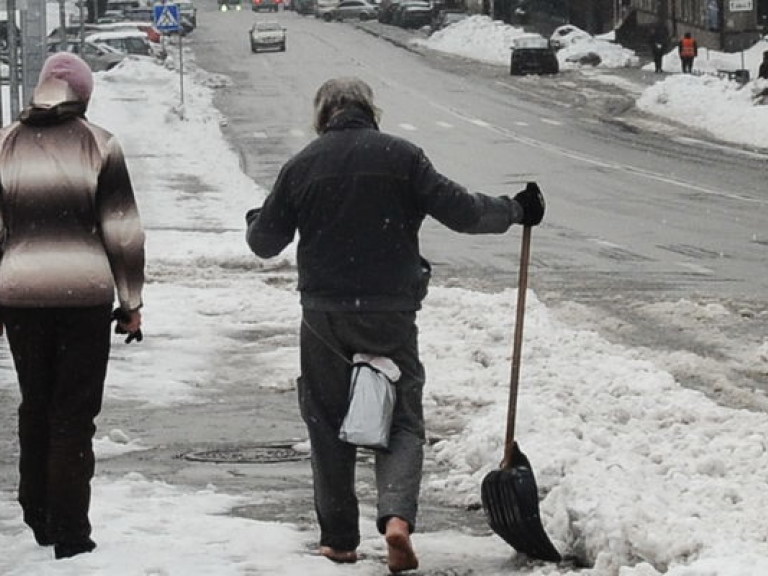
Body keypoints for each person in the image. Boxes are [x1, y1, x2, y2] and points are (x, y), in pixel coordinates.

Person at [245, 77, 545, 573]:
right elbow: (464, 212)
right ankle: (397, 521)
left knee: (325, 417)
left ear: (323, 116)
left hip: (325, 315)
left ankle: (339, 540)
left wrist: (257, 217)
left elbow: (263, 242)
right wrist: (516, 210)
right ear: (371, 111)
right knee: (402, 417)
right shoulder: (403, 157)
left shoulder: (303, 165)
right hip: (391, 310)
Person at [0, 53, 145, 560]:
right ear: (83, 95)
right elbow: (123, 232)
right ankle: (70, 529)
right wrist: (131, 301)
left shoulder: (4, 144)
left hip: (19, 296)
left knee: (36, 403)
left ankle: (35, 508)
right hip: (83, 296)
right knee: (74, 412)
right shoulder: (100, 145)